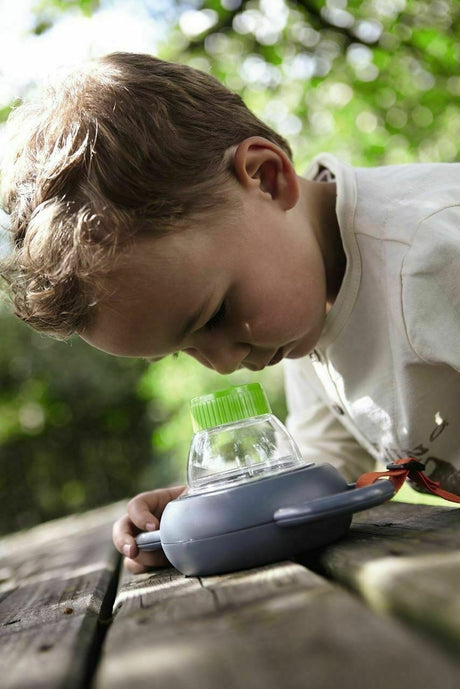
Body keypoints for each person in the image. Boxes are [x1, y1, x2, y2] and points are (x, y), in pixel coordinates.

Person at [1, 52, 459, 573]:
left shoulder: (433, 254)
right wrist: (219, 507)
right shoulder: (306, 291)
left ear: (267, 178)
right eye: (183, 350)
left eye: (216, 314)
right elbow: (330, 459)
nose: (220, 363)